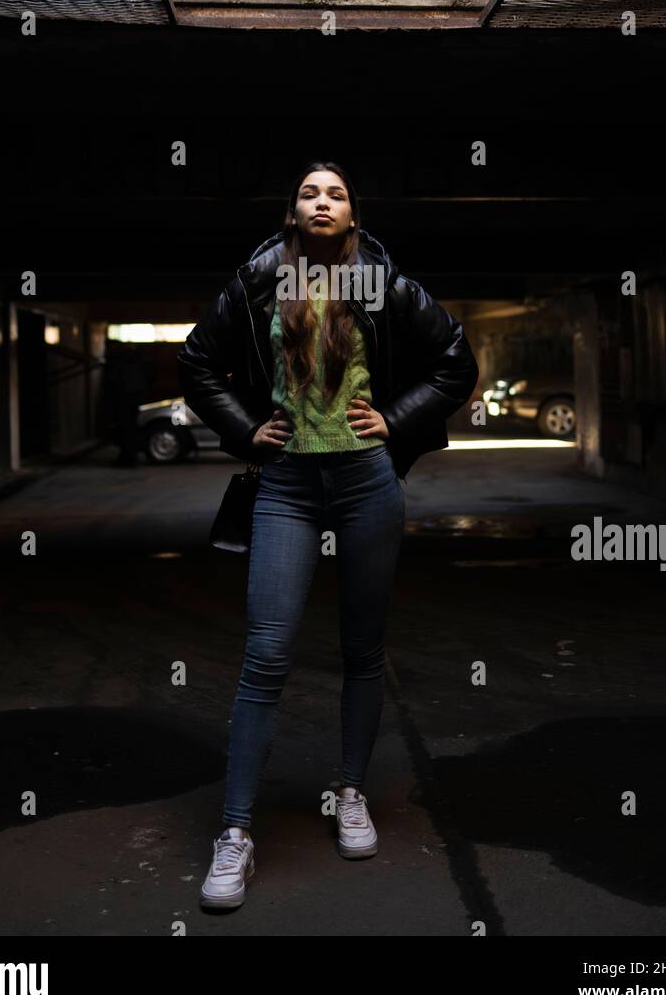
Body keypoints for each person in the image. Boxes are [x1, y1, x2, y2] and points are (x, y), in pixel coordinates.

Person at [177, 160, 479, 909]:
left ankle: (350, 794)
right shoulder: (258, 282)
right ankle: (237, 833)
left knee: (361, 647)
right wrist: (249, 432)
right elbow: (197, 363)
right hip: (285, 485)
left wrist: (396, 420)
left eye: (336, 194)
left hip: (366, 482)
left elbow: (456, 363)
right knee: (267, 652)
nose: (322, 201)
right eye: (309, 192)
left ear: (353, 214)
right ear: (291, 213)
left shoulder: (382, 282)